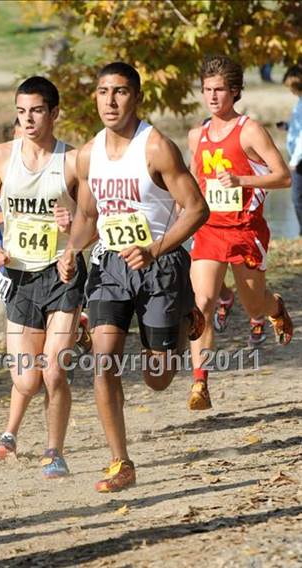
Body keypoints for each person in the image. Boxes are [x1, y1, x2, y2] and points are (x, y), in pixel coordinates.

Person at [58, 61, 209, 492]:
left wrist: (155, 249)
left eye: (120, 91)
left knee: (157, 378)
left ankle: (183, 319)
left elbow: (198, 209)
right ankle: (120, 462)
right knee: (103, 363)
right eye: (103, 91)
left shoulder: (157, 147)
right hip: (110, 267)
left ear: (136, 97)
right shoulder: (88, 155)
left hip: (160, 265)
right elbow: (88, 216)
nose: (110, 100)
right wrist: (72, 249)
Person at [0, 77, 87, 478]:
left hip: (62, 275)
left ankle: (54, 451)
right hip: (20, 276)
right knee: (26, 379)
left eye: (37, 111)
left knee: (54, 372)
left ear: (54, 113)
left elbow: (93, 220)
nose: (29, 119)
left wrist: (72, 227)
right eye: (21, 112)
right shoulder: (1, 156)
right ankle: (12, 433)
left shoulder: (73, 160)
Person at [188, 55, 293, 411]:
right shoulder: (196, 135)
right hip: (209, 230)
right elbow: (192, 184)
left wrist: (241, 179)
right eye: (207, 90)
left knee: (254, 305)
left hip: (246, 230)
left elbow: (284, 176)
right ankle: (200, 382)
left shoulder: (249, 130)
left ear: (234, 92)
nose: (213, 97)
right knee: (201, 302)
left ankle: (275, 307)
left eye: (219, 90)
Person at [283, 64, 302, 236]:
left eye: (291, 87)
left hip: (300, 160)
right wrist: (287, 126)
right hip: (297, 157)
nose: (290, 91)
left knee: (297, 198)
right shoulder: (299, 102)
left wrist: (294, 161)